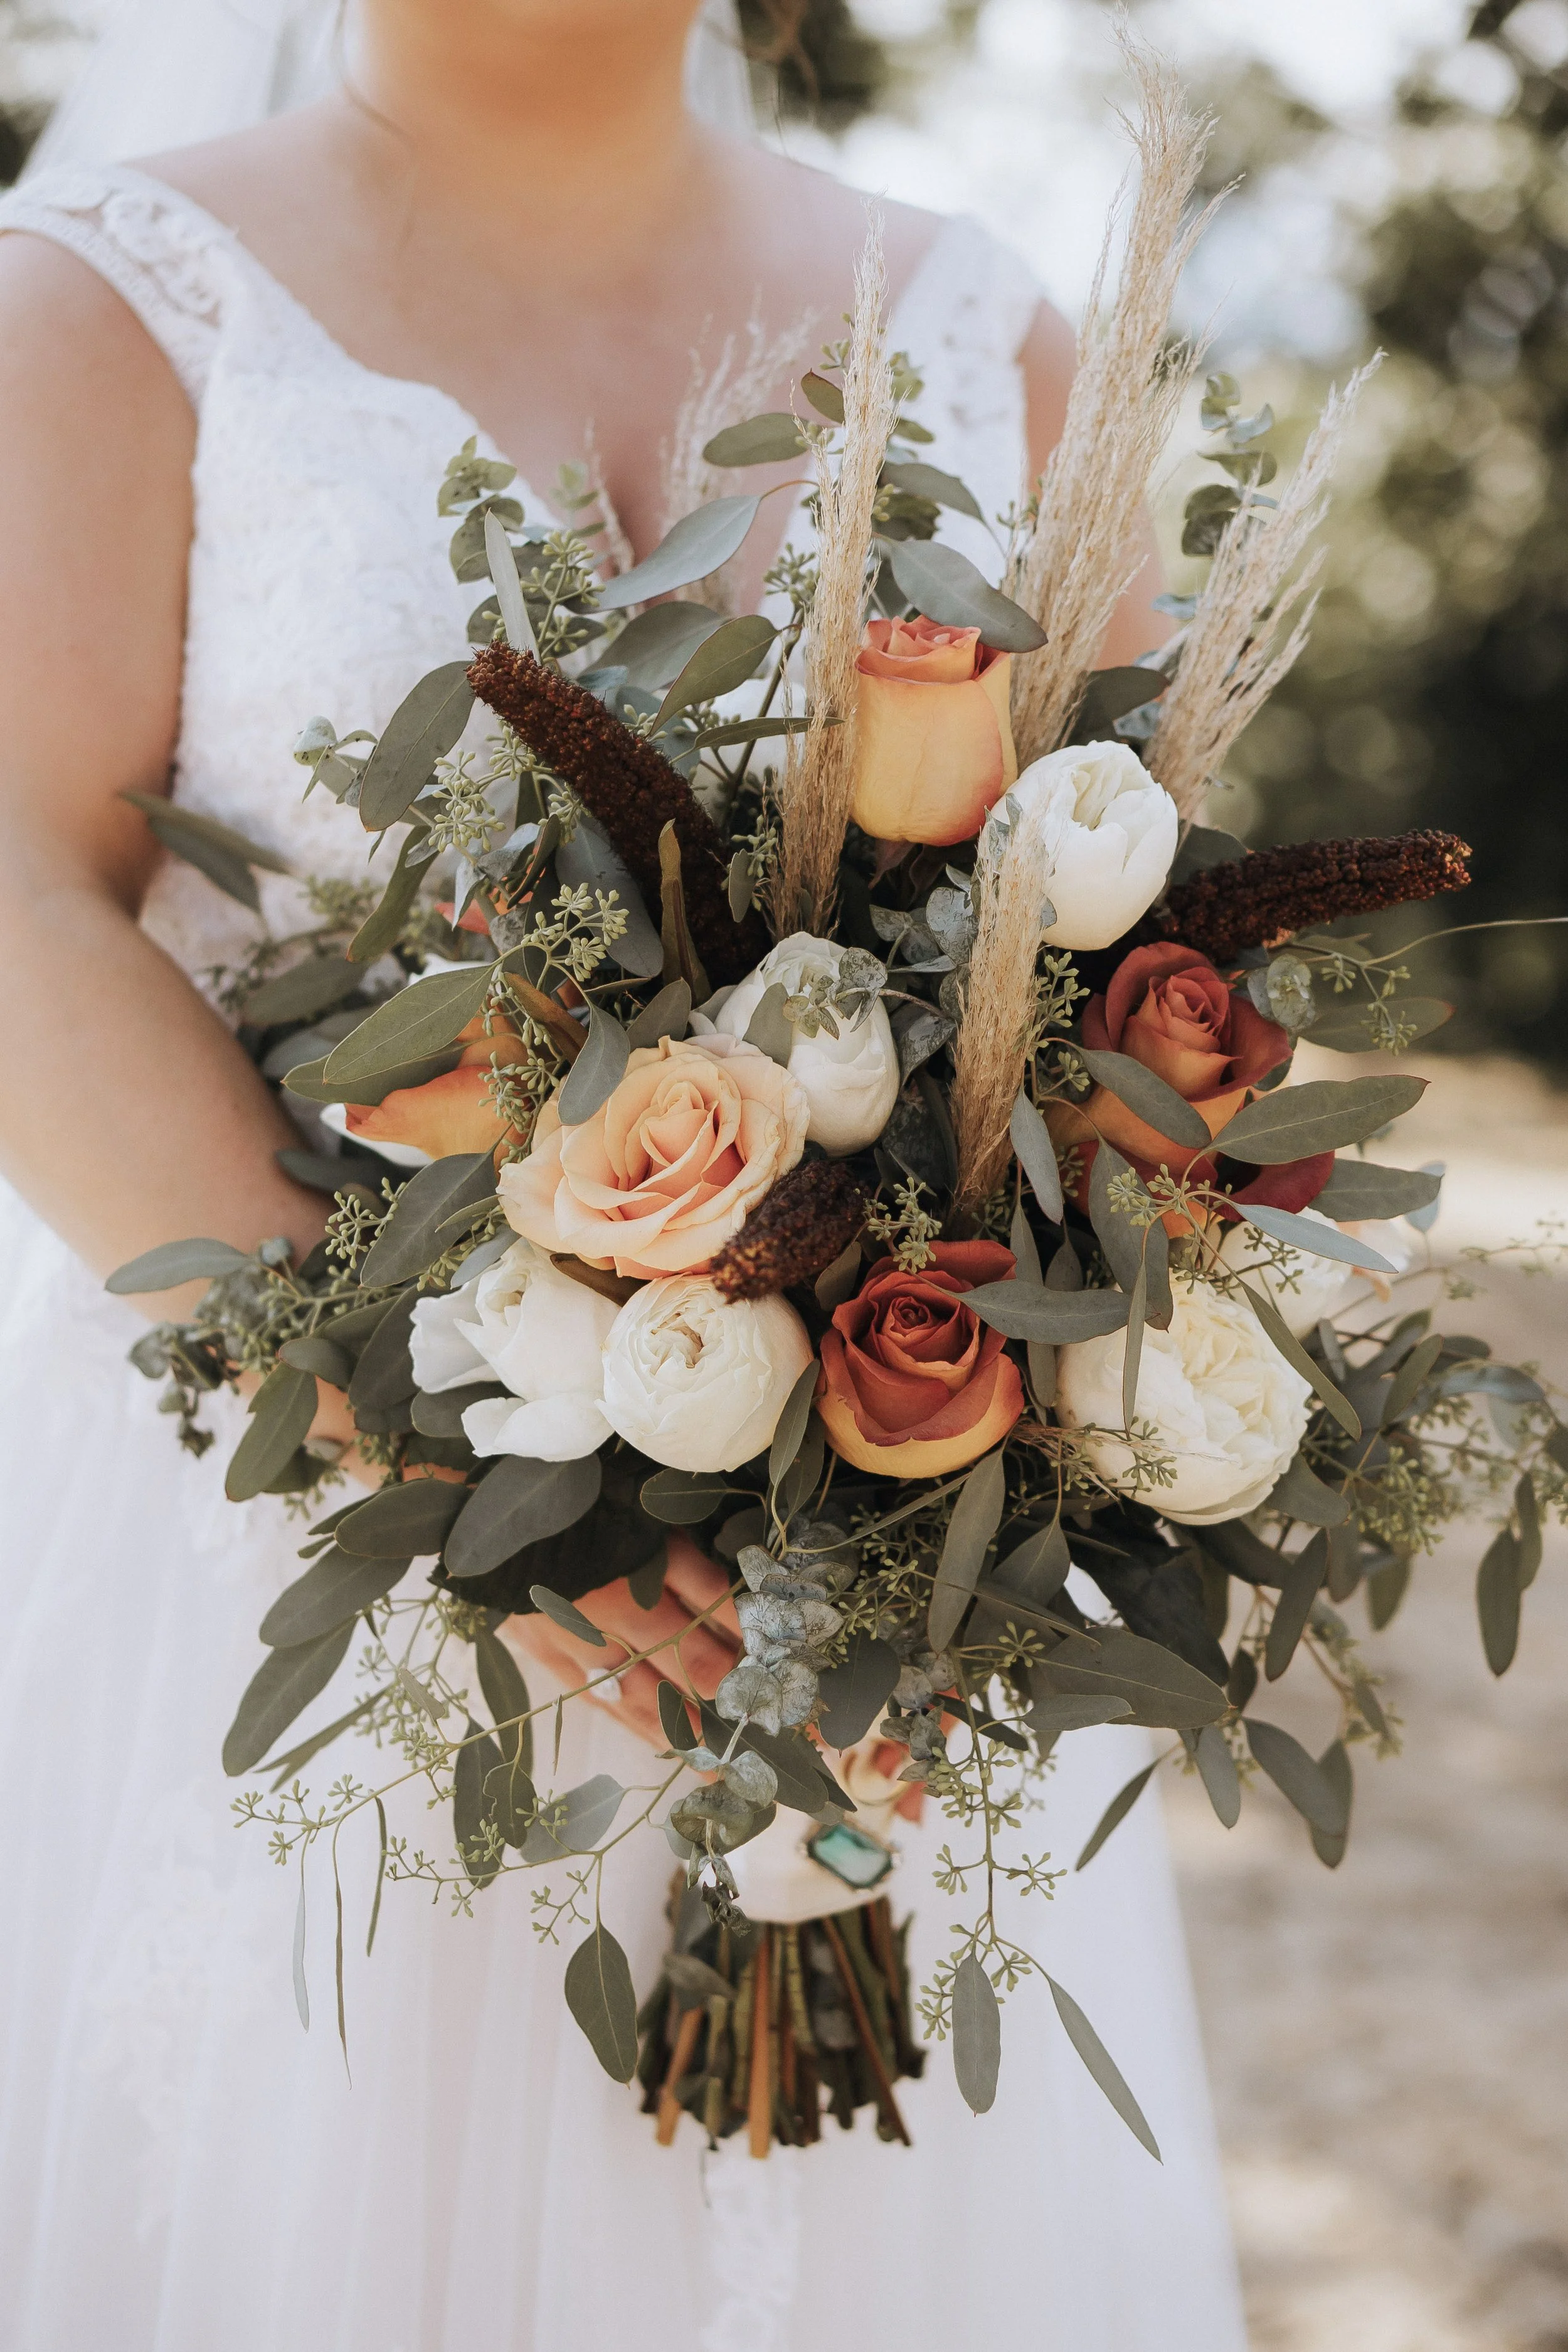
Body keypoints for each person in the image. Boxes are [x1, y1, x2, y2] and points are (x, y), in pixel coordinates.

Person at [0, 4, 1248, 2344]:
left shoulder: (997, 330)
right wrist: (441, 1436)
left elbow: (1130, 938)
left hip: (871, 1570)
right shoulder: (95, 306)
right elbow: (24, 899)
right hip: (303, 1551)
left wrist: (960, 1464)